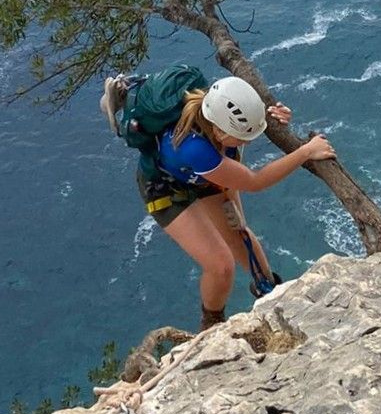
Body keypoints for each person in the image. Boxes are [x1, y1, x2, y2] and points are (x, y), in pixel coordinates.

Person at [105, 71, 335, 329]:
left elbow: (243, 119)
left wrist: (272, 116)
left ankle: (269, 291)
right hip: (164, 187)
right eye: (242, 136)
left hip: (203, 174)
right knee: (220, 266)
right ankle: (212, 323)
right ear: (219, 130)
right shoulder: (192, 148)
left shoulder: (213, 106)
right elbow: (253, 182)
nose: (247, 141)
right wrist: (305, 151)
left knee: (240, 235)